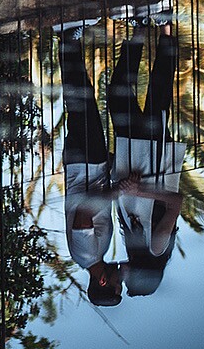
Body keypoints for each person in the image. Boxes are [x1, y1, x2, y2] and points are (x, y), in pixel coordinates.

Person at [109, 17, 184, 296]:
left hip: (132, 157)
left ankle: (140, 31)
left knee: (119, 93)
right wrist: (141, 191)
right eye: (128, 281)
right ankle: (164, 29)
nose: (123, 275)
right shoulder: (156, 247)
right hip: (153, 159)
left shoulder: (135, 241)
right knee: (157, 93)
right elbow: (176, 203)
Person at [60, 27, 122, 306]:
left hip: (84, 165)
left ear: (103, 282)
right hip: (91, 166)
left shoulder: (85, 255)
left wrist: (119, 191)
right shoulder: (96, 253)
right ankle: (68, 43)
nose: (121, 281)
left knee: (80, 102)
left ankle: (66, 40)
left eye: (118, 286)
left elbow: (84, 213)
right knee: (83, 103)